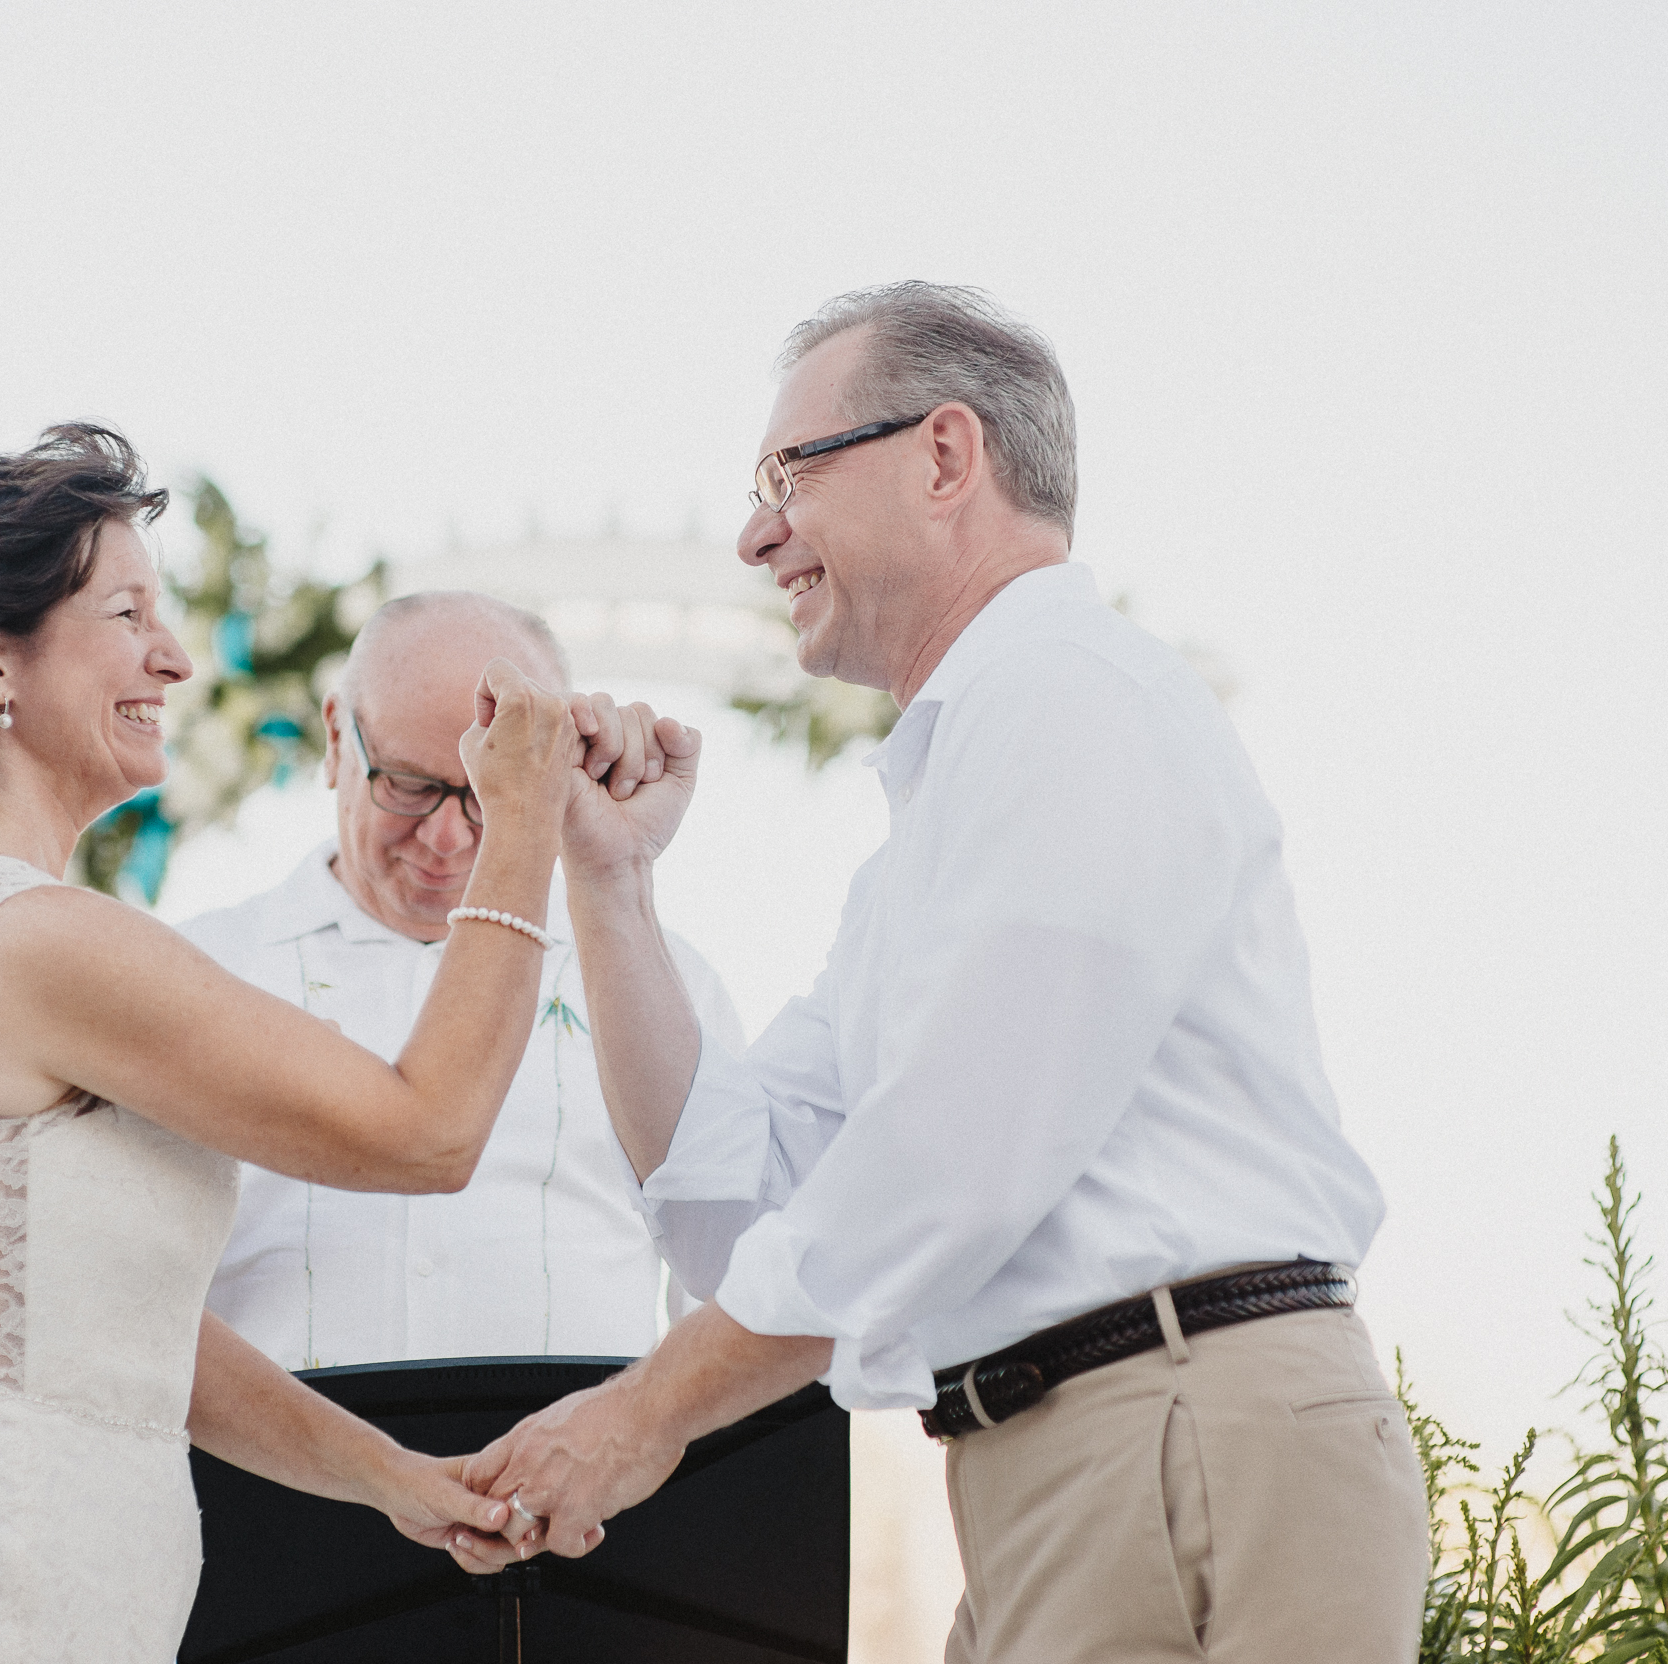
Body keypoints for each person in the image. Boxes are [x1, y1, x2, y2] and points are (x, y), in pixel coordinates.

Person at [463, 284, 1430, 1660]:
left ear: (946, 455)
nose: (753, 535)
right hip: (1084, 1459)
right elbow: (741, 1207)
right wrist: (609, 880)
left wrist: (638, 1420)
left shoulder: (1067, 700)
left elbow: (950, 1163)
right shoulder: (938, 828)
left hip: (1179, 1433)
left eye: (786, 474)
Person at [0, 425, 550, 1662]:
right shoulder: (39, 941)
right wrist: (523, 818)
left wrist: (393, 1476)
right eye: (127, 613)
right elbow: (429, 1129)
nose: (175, 660)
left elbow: (115, 1328)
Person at [180, 592, 743, 1369]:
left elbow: (733, 1294)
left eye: (488, 796)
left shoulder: (665, 981)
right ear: (337, 736)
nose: (446, 838)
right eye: (408, 785)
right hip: (262, 1486)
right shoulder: (200, 969)